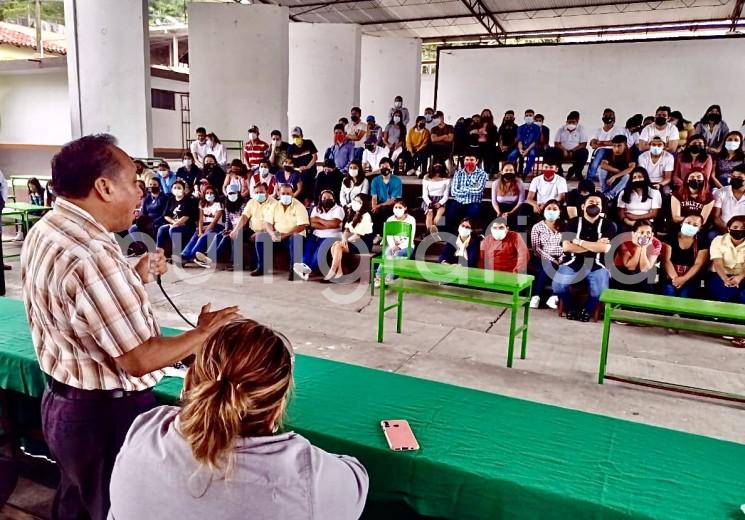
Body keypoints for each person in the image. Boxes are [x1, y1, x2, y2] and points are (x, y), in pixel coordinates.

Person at [21, 134, 238, 520]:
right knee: (109, 508)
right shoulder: (92, 254)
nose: (141, 191)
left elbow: (81, 305)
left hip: (62, 404)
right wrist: (203, 333)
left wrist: (131, 277)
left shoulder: (48, 228)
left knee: (75, 502)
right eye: (134, 181)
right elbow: (139, 358)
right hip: (104, 418)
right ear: (103, 187)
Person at [109, 320, 368, 520]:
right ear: (277, 407)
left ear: (189, 382)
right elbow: (356, 480)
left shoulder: (147, 429)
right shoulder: (306, 475)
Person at [552, 193, 615, 322]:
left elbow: (605, 249)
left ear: (602, 208)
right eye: (591, 202)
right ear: (583, 206)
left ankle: (587, 310)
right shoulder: (573, 223)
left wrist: (578, 242)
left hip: (597, 265)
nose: (594, 204)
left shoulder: (608, 225)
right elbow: (566, 247)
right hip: (572, 262)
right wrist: (595, 245)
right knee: (557, 286)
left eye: (598, 203)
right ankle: (571, 308)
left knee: (601, 291)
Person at [252, 184, 310, 279]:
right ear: (278, 193)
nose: (285, 196)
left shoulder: (299, 206)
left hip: (294, 236)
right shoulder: (275, 205)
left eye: (288, 193)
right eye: (283, 193)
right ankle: (262, 268)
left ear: (292, 194)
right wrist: (271, 233)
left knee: (295, 238)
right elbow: (268, 222)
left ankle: (294, 271)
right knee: (261, 236)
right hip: (278, 235)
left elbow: (301, 226)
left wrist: (285, 235)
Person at [294, 190, 345, 280]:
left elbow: (335, 224)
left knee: (316, 257)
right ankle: (304, 270)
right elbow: (311, 223)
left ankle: (308, 270)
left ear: (334, 198)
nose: (326, 199)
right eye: (324, 198)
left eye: (329, 197)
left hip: (331, 236)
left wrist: (318, 219)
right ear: (320, 199)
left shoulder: (339, 209)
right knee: (307, 252)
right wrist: (327, 224)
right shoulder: (316, 208)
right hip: (315, 235)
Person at [707, 216, 745, 328]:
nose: (739, 230)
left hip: (741, 276)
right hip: (719, 275)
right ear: (729, 228)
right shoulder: (718, 240)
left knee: (743, 295)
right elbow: (717, 263)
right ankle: (726, 325)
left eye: (743, 227)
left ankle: (738, 327)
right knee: (726, 293)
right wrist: (725, 279)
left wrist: (739, 277)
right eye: (735, 227)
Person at [326, 194, 374, 281]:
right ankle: (338, 271)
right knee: (335, 246)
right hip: (353, 240)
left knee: (337, 246)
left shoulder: (366, 215)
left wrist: (346, 242)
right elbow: (347, 229)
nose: (355, 203)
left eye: (359, 202)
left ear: (364, 204)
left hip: (363, 242)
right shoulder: (353, 213)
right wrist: (344, 238)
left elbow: (358, 235)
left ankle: (333, 271)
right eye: (355, 200)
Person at [230, 182, 276, 271]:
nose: (259, 194)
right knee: (237, 234)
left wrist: (260, 233)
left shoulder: (274, 203)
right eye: (257, 193)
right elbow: (244, 217)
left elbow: (277, 224)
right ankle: (238, 264)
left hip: (269, 232)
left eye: (261, 192)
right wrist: (235, 230)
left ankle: (260, 266)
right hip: (253, 230)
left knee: (253, 266)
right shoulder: (252, 202)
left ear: (267, 191)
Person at [661, 214, 709, 298]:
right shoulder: (669, 238)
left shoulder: (702, 242)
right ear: (682, 223)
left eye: (695, 225)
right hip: (670, 277)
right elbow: (666, 260)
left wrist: (684, 279)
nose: (691, 226)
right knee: (670, 291)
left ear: (700, 228)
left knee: (685, 294)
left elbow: (698, 264)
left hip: (691, 279)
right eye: (688, 223)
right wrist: (675, 279)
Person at [203, 184, 248, 270]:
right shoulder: (227, 206)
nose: (231, 195)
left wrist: (233, 230)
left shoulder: (243, 205)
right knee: (220, 234)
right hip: (233, 229)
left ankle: (213, 258)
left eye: (233, 193)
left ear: (238, 193)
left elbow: (245, 220)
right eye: (229, 193)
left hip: (243, 228)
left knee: (229, 237)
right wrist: (227, 229)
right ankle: (209, 254)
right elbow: (227, 220)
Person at [374, 199, 416, 287]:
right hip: (393, 245)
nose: (397, 209)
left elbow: (410, 237)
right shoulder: (390, 219)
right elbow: (389, 236)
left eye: (400, 207)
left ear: (405, 208)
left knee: (397, 254)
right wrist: (393, 246)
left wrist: (399, 247)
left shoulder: (411, 219)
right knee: (387, 252)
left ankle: (388, 278)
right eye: (395, 207)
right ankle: (378, 277)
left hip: (407, 246)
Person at [529, 200, 563, 309]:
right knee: (548, 265)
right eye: (549, 209)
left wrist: (561, 258)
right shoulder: (537, 227)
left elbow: (568, 245)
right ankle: (537, 296)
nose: (551, 211)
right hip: (542, 257)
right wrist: (552, 259)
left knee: (564, 268)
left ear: (559, 212)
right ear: (544, 211)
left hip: (561, 257)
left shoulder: (564, 226)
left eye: (554, 209)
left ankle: (553, 296)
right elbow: (536, 249)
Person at [181, 185, 224, 268]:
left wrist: (205, 232)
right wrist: (200, 231)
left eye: (211, 193)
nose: (209, 195)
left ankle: (193, 254)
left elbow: (214, 222)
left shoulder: (219, 204)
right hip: (204, 225)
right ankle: (184, 255)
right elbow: (201, 219)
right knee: (195, 236)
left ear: (215, 194)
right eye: (207, 193)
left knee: (203, 237)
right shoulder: (202, 203)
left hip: (216, 226)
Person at [613, 220, 661, 293]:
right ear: (634, 233)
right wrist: (639, 247)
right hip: (623, 269)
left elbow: (644, 269)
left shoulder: (656, 243)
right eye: (641, 232)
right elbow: (630, 266)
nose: (645, 235)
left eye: (648, 233)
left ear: (652, 234)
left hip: (643, 271)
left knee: (646, 280)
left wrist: (644, 247)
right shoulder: (625, 238)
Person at [156, 180, 199, 258]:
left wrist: (177, 223)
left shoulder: (189, 201)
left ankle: (177, 255)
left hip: (187, 226)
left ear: (183, 189)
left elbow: (187, 216)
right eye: (175, 188)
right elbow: (166, 215)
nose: (177, 190)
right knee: (162, 229)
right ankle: (159, 252)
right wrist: (173, 223)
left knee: (173, 230)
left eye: (179, 188)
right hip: (174, 224)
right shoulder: (171, 200)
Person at [446, 152, 487, 231]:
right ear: (464, 161)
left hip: (474, 202)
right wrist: (470, 189)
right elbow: (454, 191)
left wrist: (462, 189)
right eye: (467, 160)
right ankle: (448, 235)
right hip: (459, 201)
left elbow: (478, 190)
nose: (469, 162)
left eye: (472, 160)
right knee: (449, 214)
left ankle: (469, 236)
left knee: (473, 213)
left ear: (477, 161)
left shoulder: (482, 174)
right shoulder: (458, 173)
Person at [617, 166, 662, 230]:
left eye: (640, 177)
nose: (637, 179)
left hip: (647, 222)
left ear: (645, 178)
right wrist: (630, 222)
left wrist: (636, 217)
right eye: (634, 177)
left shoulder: (654, 192)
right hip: (628, 222)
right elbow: (621, 212)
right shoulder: (624, 192)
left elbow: (654, 213)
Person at [587, 108, 624, 182]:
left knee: (601, 151)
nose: (608, 117)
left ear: (614, 118)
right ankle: (589, 179)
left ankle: (589, 178)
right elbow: (593, 144)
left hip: (613, 151)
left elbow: (615, 142)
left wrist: (600, 143)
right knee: (600, 152)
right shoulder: (599, 131)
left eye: (610, 115)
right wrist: (604, 143)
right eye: (606, 115)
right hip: (600, 151)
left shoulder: (617, 129)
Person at [551, 111, 589, 179]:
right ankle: (559, 171)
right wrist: (564, 150)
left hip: (575, 152)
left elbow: (583, 144)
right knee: (551, 151)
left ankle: (575, 171)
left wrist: (572, 151)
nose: (571, 123)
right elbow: (556, 143)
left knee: (584, 152)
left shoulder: (581, 129)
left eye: (573, 122)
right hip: (562, 152)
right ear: (566, 122)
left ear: (577, 122)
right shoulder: (561, 129)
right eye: (569, 122)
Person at [370, 157, 403, 234]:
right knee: (372, 210)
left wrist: (380, 205)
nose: (384, 168)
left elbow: (394, 199)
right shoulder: (375, 180)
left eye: (386, 166)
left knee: (385, 210)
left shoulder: (397, 180)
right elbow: (374, 196)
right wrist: (374, 206)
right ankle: (375, 234)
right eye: (382, 167)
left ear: (391, 168)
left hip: (392, 204)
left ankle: (384, 235)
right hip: (380, 203)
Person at [711, 165, 745, 238]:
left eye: (739, 178)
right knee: (711, 235)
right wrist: (729, 231)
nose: (735, 179)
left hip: (743, 229)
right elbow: (716, 217)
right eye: (733, 176)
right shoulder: (720, 192)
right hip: (723, 228)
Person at [598, 134, 635, 202]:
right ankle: (604, 191)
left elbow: (631, 168)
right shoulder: (610, 152)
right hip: (610, 179)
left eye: (619, 146)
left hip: (624, 180)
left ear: (625, 145)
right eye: (614, 146)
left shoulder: (631, 153)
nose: (616, 148)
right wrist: (617, 171)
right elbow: (603, 165)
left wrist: (615, 176)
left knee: (627, 176)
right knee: (601, 170)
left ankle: (610, 195)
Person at [507, 109, 541, 176]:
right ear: (524, 117)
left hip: (531, 147)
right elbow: (519, 140)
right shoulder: (520, 128)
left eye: (530, 115)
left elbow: (535, 141)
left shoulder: (537, 128)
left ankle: (525, 173)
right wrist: (520, 149)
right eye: (527, 115)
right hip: (521, 147)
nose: (528, 117)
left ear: (533, 117)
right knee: (511, 156)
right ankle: (512, 171)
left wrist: (527, 150)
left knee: (532, 155)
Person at [490, 162, 525, 229]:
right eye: (506, 170)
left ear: (514, 172)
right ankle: (484, 235)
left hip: (515, 207)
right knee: (490, 213)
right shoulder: (496, 183)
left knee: (522, 214)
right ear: (502, 172)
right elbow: (494, 201)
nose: (509, 172)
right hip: (500, 207)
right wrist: (499, 213)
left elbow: (521, 201)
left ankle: (522, 234)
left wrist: (510, 213)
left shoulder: (519, 182)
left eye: (511, 170)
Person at [422, 162, 450, 235]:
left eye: (439, 165)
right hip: (429, 199)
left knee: (440, 212)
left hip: (441, 199)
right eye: (435, 164)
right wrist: (429, 203)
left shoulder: (446, 178)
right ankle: (430, 232)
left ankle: (432, 231)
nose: (437, 166)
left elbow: (446, 195)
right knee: (429, 214)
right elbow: (424, 194)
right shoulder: (426, 177)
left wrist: (440, 203)